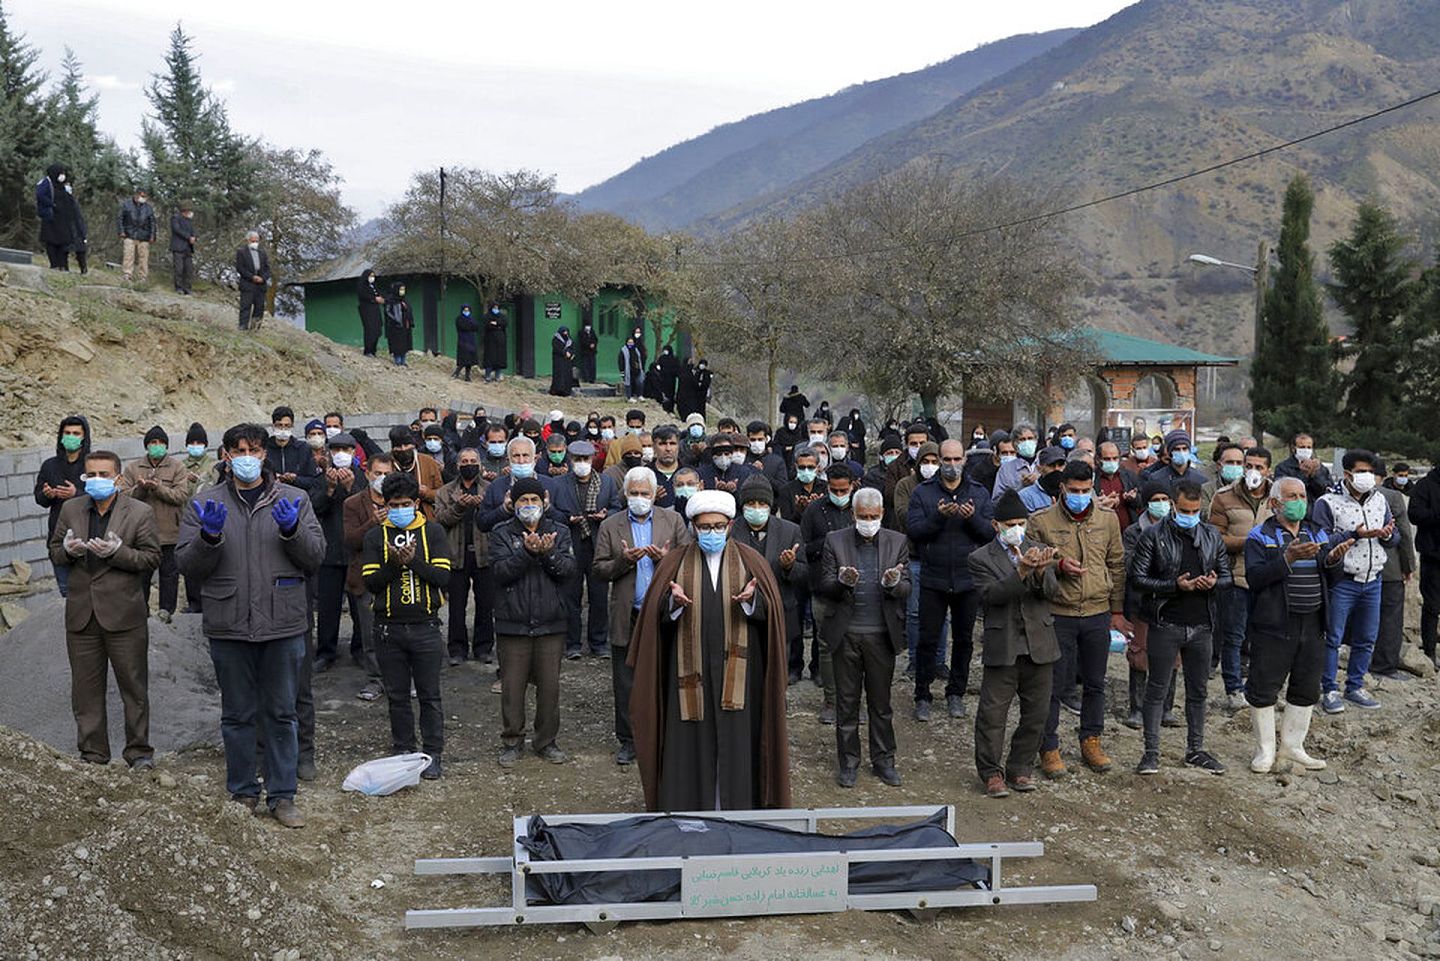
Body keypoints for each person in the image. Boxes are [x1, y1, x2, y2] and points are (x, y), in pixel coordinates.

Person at [175, 423, 325, 828]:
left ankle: (282, 796)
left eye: (254, 449)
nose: (246, 456)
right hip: (229, 623)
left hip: (283, 622)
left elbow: (315, 557)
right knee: (237, 714)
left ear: (264, 455)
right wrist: (208, 537)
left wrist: (292, 530)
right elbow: (186, 565)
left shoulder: (295, 499)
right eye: (238, 449)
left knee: (280, 713)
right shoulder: (204, 504)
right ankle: (242, 791)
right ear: (225, 455)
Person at [627, 490, 790, 811]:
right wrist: (671, 605)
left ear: (730, 526)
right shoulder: (673, 562)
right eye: (704, 527)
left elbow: (772, 618)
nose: (711, 533)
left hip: (742, 679)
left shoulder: (750, 560)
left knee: (740, 744)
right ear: (693, 527)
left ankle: (740, 811)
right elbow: (652, 623)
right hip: (686, 678)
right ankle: (688, 812)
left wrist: (753, 603)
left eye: (718, 526)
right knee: (688, 744)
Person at [47, 449, 162, 769]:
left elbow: (152, 558)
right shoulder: (71, 509)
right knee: (85, 690)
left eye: (104, 475)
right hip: (82, 614)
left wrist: (118, 553)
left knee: (133, 687)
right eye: (91, 475)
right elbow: (55, 550)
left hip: (124, 615)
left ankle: (139, 752)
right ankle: (93, 753)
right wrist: (67, 552)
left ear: (118, 479)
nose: (97, 481)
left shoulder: (138, 512)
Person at [1028, 460, 1128, 778]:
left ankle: (1091, 740)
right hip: (1058, 614)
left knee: (1096, 684)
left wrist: (1117, 612)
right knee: (1053, 685)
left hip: (1097, 613)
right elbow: (1028, 568)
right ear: (1062, 488)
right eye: (1074, 491)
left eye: (1086, 491)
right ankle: (1049, 747)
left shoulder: (1108, 519)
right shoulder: (1040, 522)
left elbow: (1117, 565)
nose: (1080, 496)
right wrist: (1057, 567)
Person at [1245, 477, 1350, 773]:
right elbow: (1255, 579)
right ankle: (1265, 751)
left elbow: (1331, 578)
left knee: (1305, 687)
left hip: (1314, 622)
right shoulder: (1260, 536)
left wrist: (1333, 560)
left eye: (1303, 495)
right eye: (1292, 496)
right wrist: (1287, 557)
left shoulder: (1316, 531)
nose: (1300, 501)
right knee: (1264, 686)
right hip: (1274, 624)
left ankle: (1292, 747)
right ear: (1276, 502)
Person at [1128, 479, 1231, 775]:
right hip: (1166, 622)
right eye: (1185, 509)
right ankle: (1151, 753)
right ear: (1173, 505)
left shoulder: (1211, 535)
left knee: (1198, 691)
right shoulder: (1153, 536)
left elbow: (1225, 577)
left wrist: (1213, 583)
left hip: (1202, 625)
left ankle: (1195, 749)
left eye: (1196, 510)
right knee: (1157, 689)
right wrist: (1175, 586)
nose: (1191, 515)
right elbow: (1138, 579)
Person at [593, 467, 688, 765]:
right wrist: (623, 560)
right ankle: (629, 739)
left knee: (667, 673)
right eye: (633, 493)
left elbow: (688, 563)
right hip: (628, 613)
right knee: (625, 680)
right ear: (625, 494)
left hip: (663, 613)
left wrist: (666, 561)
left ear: (655, 494)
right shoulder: (611, 525)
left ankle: (666, 734)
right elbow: (599, 569)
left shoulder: (672, 521)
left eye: (644, 494)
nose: (638, 499)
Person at [968, 489, 1060, 798]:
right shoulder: (980, 558)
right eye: (1010, 524)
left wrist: (1041, 571)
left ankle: (1020, 768)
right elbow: (990, 596)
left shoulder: (1039, 548)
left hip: (1039, 643)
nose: (1016, 529)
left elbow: (1051, 593)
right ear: (996, 526)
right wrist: (1020, 572)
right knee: (993, 715)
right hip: (1004, 643)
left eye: (1021, 522)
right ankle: (991, 773)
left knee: (1036, 713)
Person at [360, 470, 451, 780]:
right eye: (393, 505)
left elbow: (442, 578)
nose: (399, 510)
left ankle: (433, 753)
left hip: (426, 626)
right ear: (385, 505)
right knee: (397, 695)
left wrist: (412, 561)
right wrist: (394, 564)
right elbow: (370, 583)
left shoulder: (434, 532)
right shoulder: (375, 536)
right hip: (387, 629)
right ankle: (403, 751)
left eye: (405, 504)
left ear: (415, 503)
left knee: (429, 695)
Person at [819, 486, 909, 788]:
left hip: (881, 635)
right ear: (852, 514)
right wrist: (842, 582)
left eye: (873, 516)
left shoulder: (897, 542)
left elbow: (906, 587)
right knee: (846, 704)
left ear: (882, 514)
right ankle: (848, 763)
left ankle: (884, 760)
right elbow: (825, 585)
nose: (868, 521)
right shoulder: (835, 540)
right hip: (846, 634)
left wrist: (894, 584)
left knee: (881, 704)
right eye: (862, 516)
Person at [490, 476, 576, 767]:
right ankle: (512, 741)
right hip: (512, 624)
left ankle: (546, 741)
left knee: (550, 687)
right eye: (523, 501)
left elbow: (567, 570)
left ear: (544, 502)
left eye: (534, 501)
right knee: (512, 687)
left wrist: (548, 552)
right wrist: (527, 553)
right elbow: (501, 572)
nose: (529, 506)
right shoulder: (501, 533)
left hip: (551, 623)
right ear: (513, 504)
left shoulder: (559, 532)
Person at [906, 439, 994, 720]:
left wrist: (971, 520)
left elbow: (990, 535)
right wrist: (938, 517)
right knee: (927, 638)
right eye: (947, 460)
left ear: (965, 461)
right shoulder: (923, 492)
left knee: (964, 639)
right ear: (939, 460)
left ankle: (956, 692)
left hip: (968, 579)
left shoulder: (978, 493)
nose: (952, 465)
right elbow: (915, 531)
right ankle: (922, 693)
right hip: (934, 576)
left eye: (957, 460)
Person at [1313, 449, 1400, 713]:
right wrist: (1354, 534)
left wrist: (1385, 535)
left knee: (1366, 637)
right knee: (1333, 637)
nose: (1368, 477)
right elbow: (1321, 541)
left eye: (1371, 473)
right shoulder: (1327, 502)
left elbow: (1393, 538)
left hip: (1373, 579)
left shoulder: (1379, 501)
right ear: (1348, 473)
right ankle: (1328, 689)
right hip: (1343, 580)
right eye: (1362, 472)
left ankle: (1355, 685)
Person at [1208, 446, 1274, 710]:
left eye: (1259, 467)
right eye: (1249, 466)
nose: (1253, 472)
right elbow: (1215, 538)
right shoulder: (1224, 497)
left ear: (1268, 470)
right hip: (1237, 576)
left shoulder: (1278, 497)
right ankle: (1234, 689)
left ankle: (1258, 687)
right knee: (1233, 637)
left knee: (1263, 636)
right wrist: (1250, 543)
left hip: (1269, 579)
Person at [732, 475, 808, 686]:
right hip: (741, 614)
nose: (756, 508)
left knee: (776, 676)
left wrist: (789, 567)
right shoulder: (731, 531)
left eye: (762, 503)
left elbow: (803, 574)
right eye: (750, 503)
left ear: (770, 505)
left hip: (780, 612)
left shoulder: (790, 530)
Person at [800, 463, 859, 723]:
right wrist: (829, 542)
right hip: (823, 586)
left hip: (858, 590)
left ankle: (856, 701)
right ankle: (831, 700)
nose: (838, 493)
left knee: (859, 646)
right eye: (834, 489)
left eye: (843, 489)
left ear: (853, 486)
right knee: (826, 646)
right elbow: (803, 547)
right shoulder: (815, 510)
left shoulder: (862, 509)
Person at [553, 440, 622, 659]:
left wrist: (605, 516)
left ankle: (599, 642)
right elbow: (551, 511)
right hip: (572, 544)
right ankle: (572, 643)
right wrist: (566, 518)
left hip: (598, 544)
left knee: (599, 596)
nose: (582, 463)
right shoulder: (558, 484)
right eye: (577, 459)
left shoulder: (607, 482)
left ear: (592, 460)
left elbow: (616, 507)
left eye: (586, 459)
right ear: (570, 460)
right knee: (571, 597)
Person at [1121, 481, 1178, 731]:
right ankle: (1137, 708)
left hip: (1174, 602)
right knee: (1139, 653)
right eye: (1156, 499)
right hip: (1142, 601)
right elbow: (1132, 565)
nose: (1162, 504)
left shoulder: (1180, 528)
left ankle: (1166, 708)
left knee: (1172, 656)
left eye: (1166, 498)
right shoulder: (1134, 532)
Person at [116, 426, 188, 623]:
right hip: (141, 533)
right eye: (153, 443)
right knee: (142, 575)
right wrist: (140, 488)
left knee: (169, 574)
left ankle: (167, 611)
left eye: (161, 443)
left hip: (169, 532)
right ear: (146, 445)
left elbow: (181, 496)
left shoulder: (177, 467)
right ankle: (141, 610)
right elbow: (122, 496)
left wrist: (158, 488)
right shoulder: (133, 468)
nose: (157, 446)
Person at [311, 432, 366, 672]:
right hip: (330, 551)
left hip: (357, 553)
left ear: (354, 452)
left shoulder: (363, 477)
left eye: (346, 450)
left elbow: (367, 508)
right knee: (328, 607)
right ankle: (326, 652)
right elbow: (314, 508)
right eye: (336, 450)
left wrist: (351, 486)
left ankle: (361, 649)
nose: (341, 455)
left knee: (360, 606)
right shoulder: (321, 478)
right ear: (329, 453)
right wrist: (331, 489)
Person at [343, 453, 393, 700]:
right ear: (367, 474)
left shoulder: (403, 501)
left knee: (399, 630)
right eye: (378, 474)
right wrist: (373, 522)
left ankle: (402, 677)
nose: (382, 479)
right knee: (370, 632)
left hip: (397, 576)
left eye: (387, 474)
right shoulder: (353, 503)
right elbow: (351, 540)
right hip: (366, 576)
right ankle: (375, 679)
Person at [1366, 460, 1417, 681]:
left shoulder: (1339, 494)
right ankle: (1385, 664)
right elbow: (1404, 534)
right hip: (1389, 569)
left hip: (1355, 569)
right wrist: (1409, 566)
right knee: (1390, 618)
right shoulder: (1392, 497)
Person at [36, 415, 93, 597]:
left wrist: (76, 494)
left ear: (84, 437)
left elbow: (104, 496)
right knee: (67, 593)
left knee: (89, 593)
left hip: (88, 536)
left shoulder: (92, 464)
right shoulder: (50, 465)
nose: (71, 436)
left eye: (76, 433)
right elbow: (39, 498)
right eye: (67, 433)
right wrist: (47, 495)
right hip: (59, 538)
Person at [1411, 465, 1440, 669]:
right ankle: (1429, 651)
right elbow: (1415, 514)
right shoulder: (1425, 485)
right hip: (1433, 555)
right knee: (1432, 605)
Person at [388, 425, 443, 518]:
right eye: (398, 446)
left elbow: (442, 494)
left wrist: (427, 493)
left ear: (413, 444)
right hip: (395, 515)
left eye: (406, 445)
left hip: (424, 516)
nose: (403, 449)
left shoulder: (428, 462)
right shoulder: (386, 463)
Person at [264, 407, 320, 493]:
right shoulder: (264, 448)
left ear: (292, 426)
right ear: (273, 425)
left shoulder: (303, 448)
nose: (283, 429)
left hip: (296, 495)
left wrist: (295, 479)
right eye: (279, 425)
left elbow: (312, 480)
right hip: (270, 495)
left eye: (287, 426)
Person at [1273, 432, 1334, 510]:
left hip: (1315, 513)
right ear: (1293, 448)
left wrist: (1314, 474)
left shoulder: (1321, 468)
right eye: (1302, 447)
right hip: (1293, 511)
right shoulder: (1283, 468)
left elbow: (1327, 491)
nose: (1306, 450)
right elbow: (1284, 491)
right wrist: (1303, 475)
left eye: (1309, 447)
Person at [36, 164, 75, 269]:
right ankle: (54, 264)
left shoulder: (64, 187)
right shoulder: (46, 183)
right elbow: (40, 195)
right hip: (51, 218)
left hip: (63, 220)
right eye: (61, 173)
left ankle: (63, 265)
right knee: (51, 241)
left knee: (63, 242)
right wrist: (51, 204)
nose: (63, 176)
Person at [1095, 441, 1139, 529]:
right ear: (1098, 459)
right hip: (1102, 530)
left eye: (1115, 458)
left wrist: (1133, 498)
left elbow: (1140, 503)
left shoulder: (1129, 476)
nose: (1111, 462)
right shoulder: (1093, 479)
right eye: (1107, 459)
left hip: (1127, 530)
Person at [991, 424, 1039, 499]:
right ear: (1015, 444)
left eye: (1030, 438)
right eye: (1022, 439)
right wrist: (1021, 487)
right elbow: (996, 500)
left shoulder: (1044, 463)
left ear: (1036, 440)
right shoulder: (1006, 470)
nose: (1027, 442)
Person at [118, 188, 156, 282]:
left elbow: (152, 223)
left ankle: (142, 276)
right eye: (142, 196)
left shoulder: (148, 208)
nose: (143, 198)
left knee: (143, 257)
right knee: (128, 254)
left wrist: (152, 236)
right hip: (129, 233)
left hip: (144, 236)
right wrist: (121, 231)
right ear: (136, 195)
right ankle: (127, 274)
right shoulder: (126, 205)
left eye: (145, 196)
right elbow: (120, 219)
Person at [235, 231, 270, 331]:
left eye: (257, 240)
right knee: (245, 306)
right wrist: (252, 277)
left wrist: (263, 278)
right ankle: (243, 326)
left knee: (259, 307)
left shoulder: (262, 252)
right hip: (247, 283)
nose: (255, 242)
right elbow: (240, 268)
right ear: (248, 240)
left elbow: (268, 269)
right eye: (253, 240)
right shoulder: (241, 252)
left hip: (261, 285)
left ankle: (255, 328)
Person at [1019, 446, 1068, 513]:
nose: (1057, 469)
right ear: (1039, 469)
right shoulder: (1026, 496)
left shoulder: (1073, 492)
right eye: (1051, 465)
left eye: (1060, 465)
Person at [355, 268, 385, 356]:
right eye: (370, 276)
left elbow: (379, 294)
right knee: (370, 329)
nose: (372, 278)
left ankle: (373, 350)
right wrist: (374, 298)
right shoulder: (362, 286)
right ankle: (368, 350)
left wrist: (383, 299)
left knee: (377, 328)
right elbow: (364, 296)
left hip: (375, 309)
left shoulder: (374, 286)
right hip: (366, 310)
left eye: (373, 276)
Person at [384, 282, 413, 366]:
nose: (402, 291)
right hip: (395, 326)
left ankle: (403, 361)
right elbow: (388, 312)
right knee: (397, 343)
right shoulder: (391, 300)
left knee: (404, 343)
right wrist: (395, 320)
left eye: (403, 289)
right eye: (401, 289)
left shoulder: (404, 300)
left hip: (405, 325)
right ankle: (398, 360)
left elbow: (408, 310)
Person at [170, 203, 197, 294]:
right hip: (178, 247)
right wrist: (188, 237)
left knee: (188, 269)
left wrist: (194, 238)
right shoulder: (175, 218)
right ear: (185, 211)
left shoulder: (189, 221)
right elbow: (177, 230)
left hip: (188, 249)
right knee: (179, 269)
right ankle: (179, 288)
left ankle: (188, 288)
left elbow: (194, 232)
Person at [453, 304, 480, 381]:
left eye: (468, 310)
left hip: (471, 340)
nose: (466, 312)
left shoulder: (471, 318)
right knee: (463, 358)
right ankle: (456, 372)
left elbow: (476, 327)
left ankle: (467, 376)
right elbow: (463, 327)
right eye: (465, 310)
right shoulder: (459, 319)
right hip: (463, 340)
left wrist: (470, 325)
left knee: (470, 360)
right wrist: (470, 326)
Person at [482, 304, 508, 381]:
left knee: (499, 359)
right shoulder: (487, 316)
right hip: (490, 340)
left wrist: (496, 323)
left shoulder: (502, 316)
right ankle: (488, 376)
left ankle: (497, 376)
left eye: (497, 308)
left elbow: (505, 323)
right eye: (494, 307)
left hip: (500, 340)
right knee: (489, 358)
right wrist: (498, 325)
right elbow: (488, 325)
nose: (495, 309)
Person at [550, 326, 576, 396]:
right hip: (559, 360)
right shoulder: (556, 339)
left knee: (567, 375)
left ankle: (566, 391)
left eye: (566, 331)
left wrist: (570, 353)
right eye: (564, 331)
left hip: (567, 361)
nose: (565, 333)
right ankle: (557, 390)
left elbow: (572, 348)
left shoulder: (569, 340)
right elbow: (556, 348)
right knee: (559, 375)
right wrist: (564, 352)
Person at [618, 336, 644, 400]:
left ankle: (639, 395)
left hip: (637, 370)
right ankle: (629, 397)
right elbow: (621, 362)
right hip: (628, 371)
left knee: (639, 382)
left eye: (632, 342)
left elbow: (639, 359)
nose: (630, 344)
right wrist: (622, 371)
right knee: (629, 383)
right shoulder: (623, 351)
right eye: (629, 342)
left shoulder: (636, 350)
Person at [577, 317, 599, 382]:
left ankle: (592, 378)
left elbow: (595, 339)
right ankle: (586, 378)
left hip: (592, 352)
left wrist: (593, 344)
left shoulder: (592, 331)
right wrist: (589, 345)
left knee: (592, 365)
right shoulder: (581, 332)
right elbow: (582, 341)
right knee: (585, 365)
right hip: (585, 352)